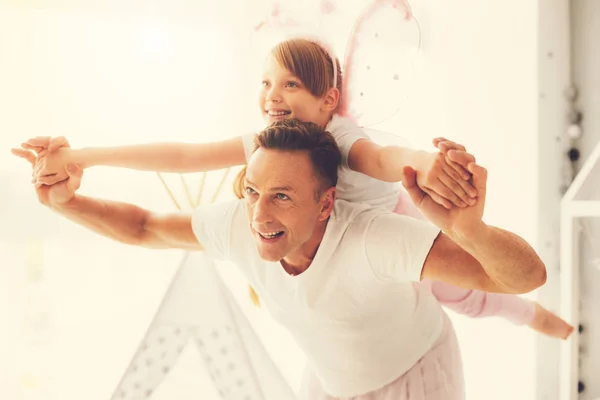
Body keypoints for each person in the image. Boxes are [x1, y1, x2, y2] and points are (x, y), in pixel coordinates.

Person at [14, 119, 547, 399]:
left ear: (326, 203)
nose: (260, 213)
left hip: (413, 374)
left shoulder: (372, 241)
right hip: (332, 382)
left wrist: (469, 229)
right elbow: (145, 226)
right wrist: (68, 202)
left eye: (283, 196)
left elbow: (525, 277)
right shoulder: (241, 223)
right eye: (253, 190)